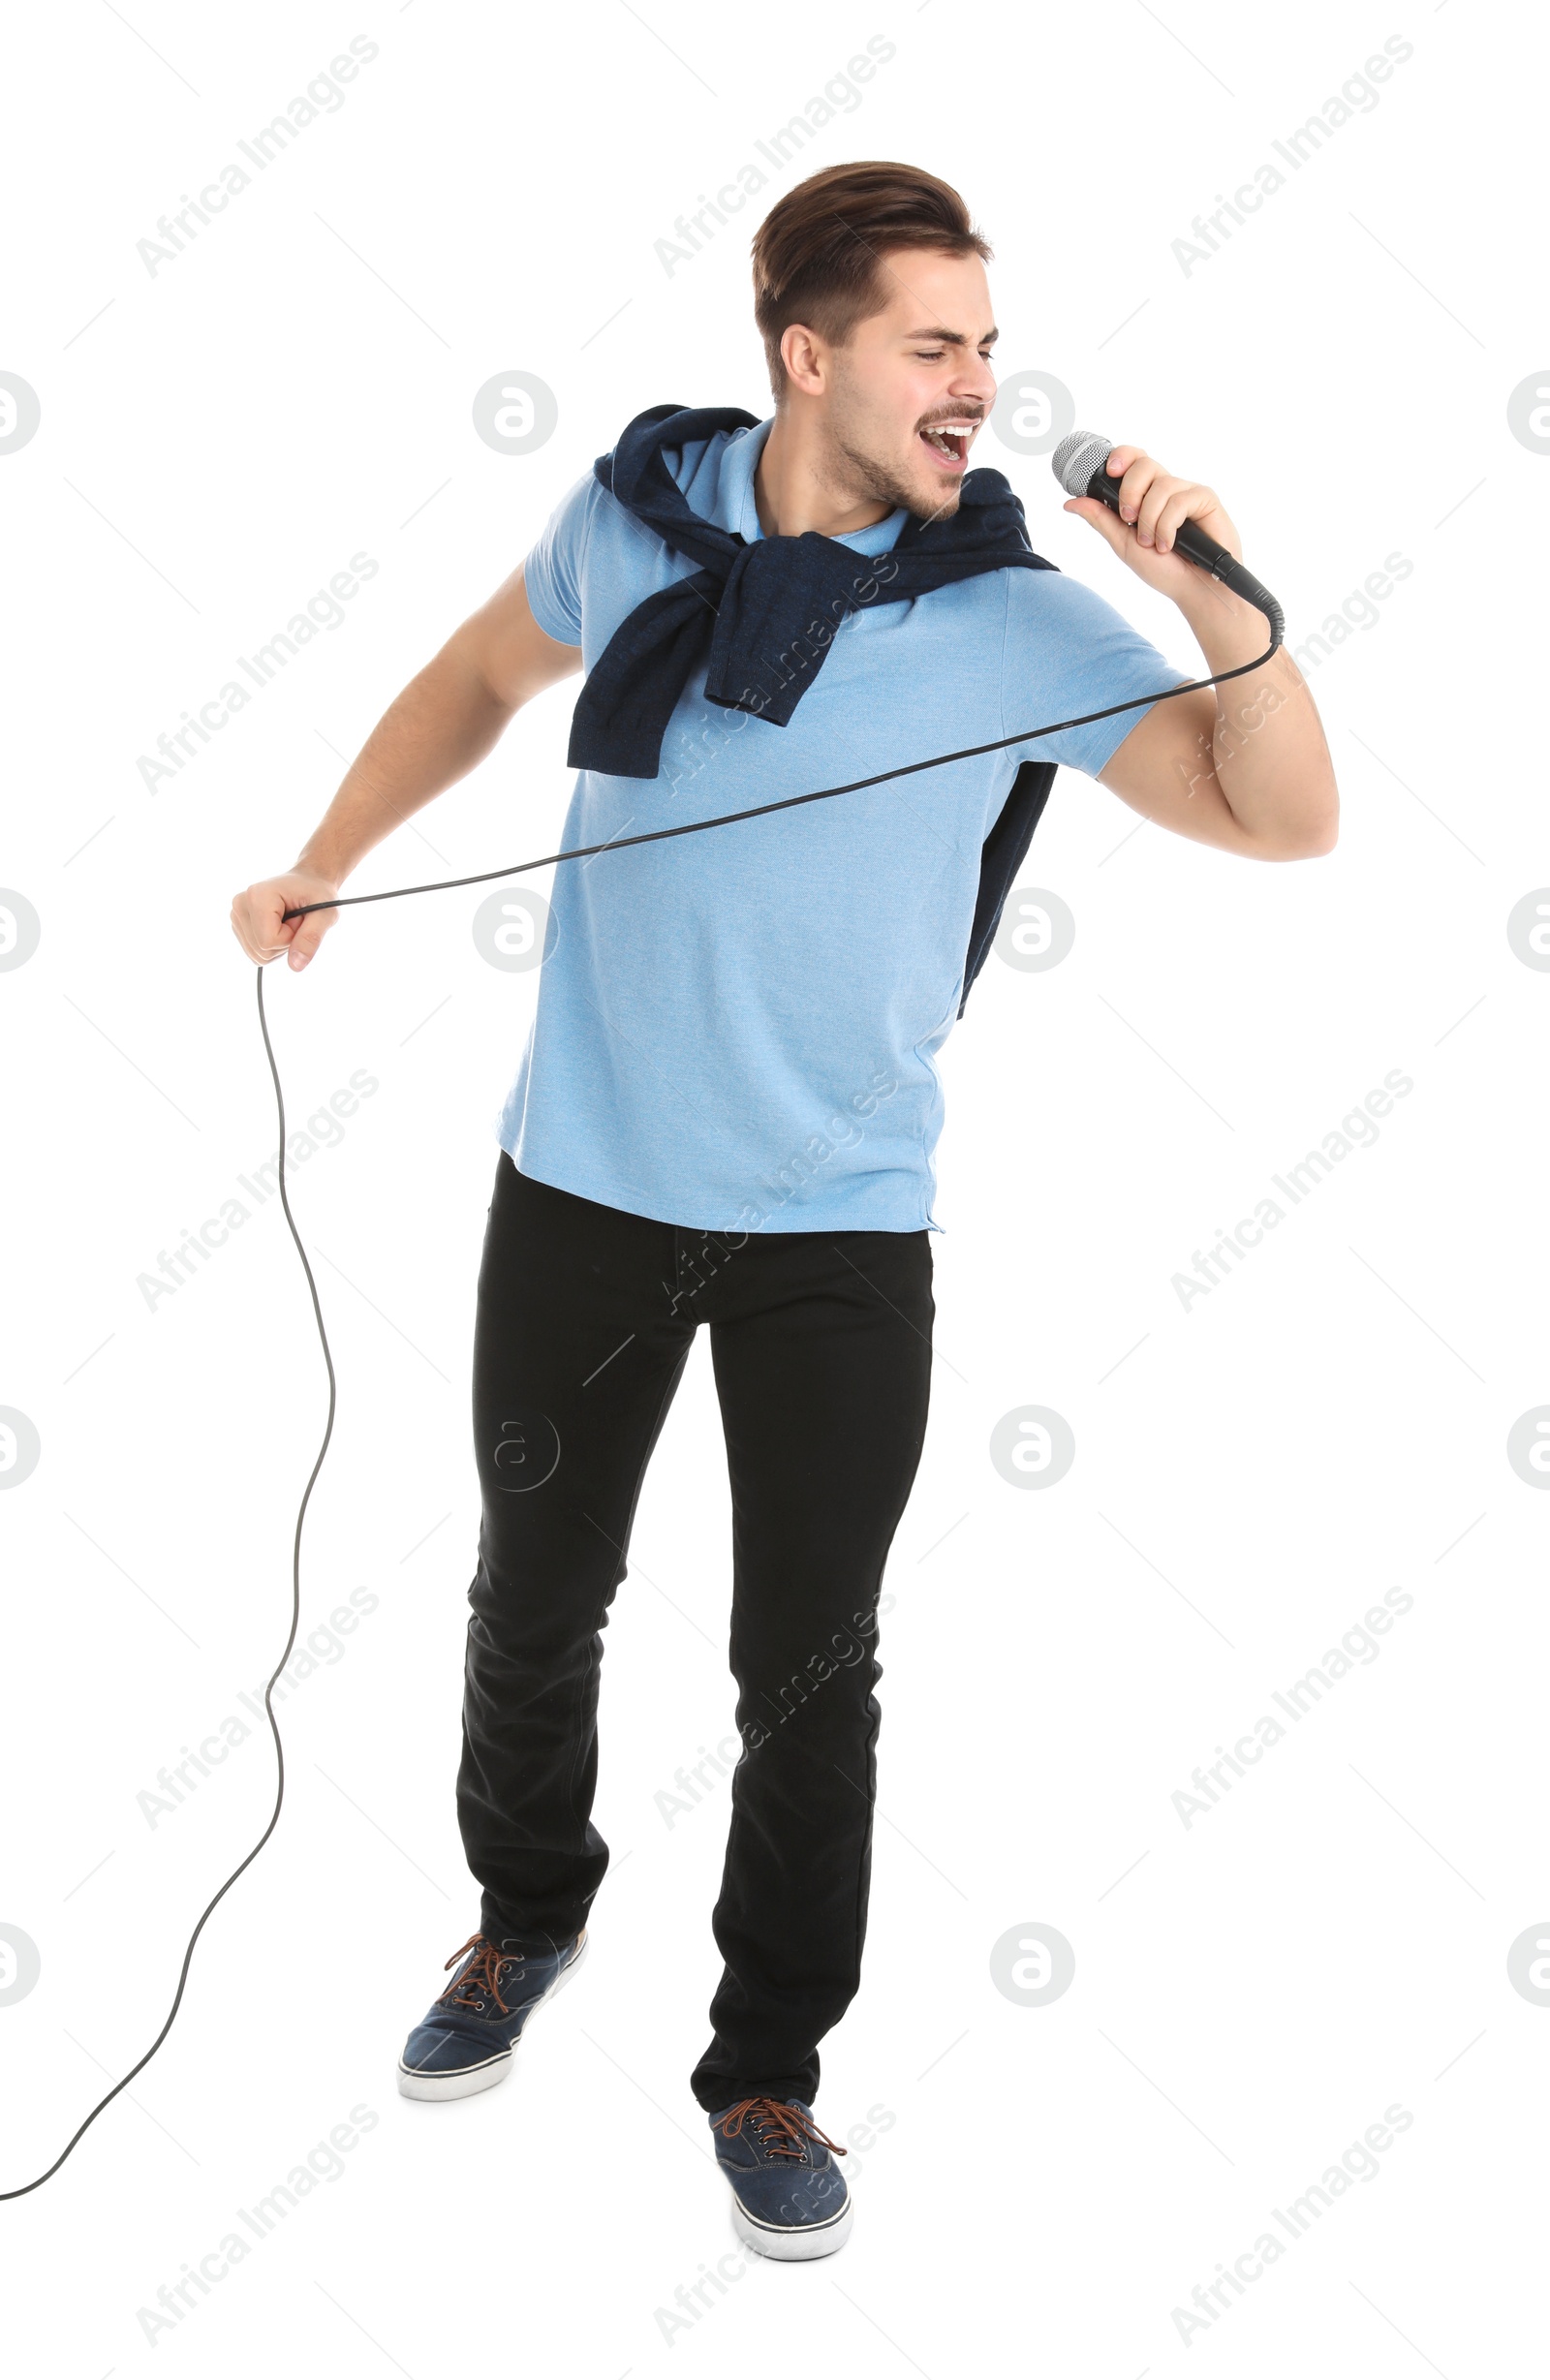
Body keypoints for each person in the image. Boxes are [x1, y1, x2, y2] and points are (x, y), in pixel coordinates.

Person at [230, 159, 1337, 2262]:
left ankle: (765, 2066)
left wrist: (1205, 591)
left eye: (989, 348)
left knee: (806, 1665)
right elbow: (478, 677)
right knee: (534, 1590)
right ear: (806, 356)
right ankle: (523, 1915)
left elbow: (1276, 813)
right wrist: (324, 854)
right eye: (937, 346)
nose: (977, 388)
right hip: (580, 1177)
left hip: (840, 1219)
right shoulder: (642, 518)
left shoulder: (1016, 616)